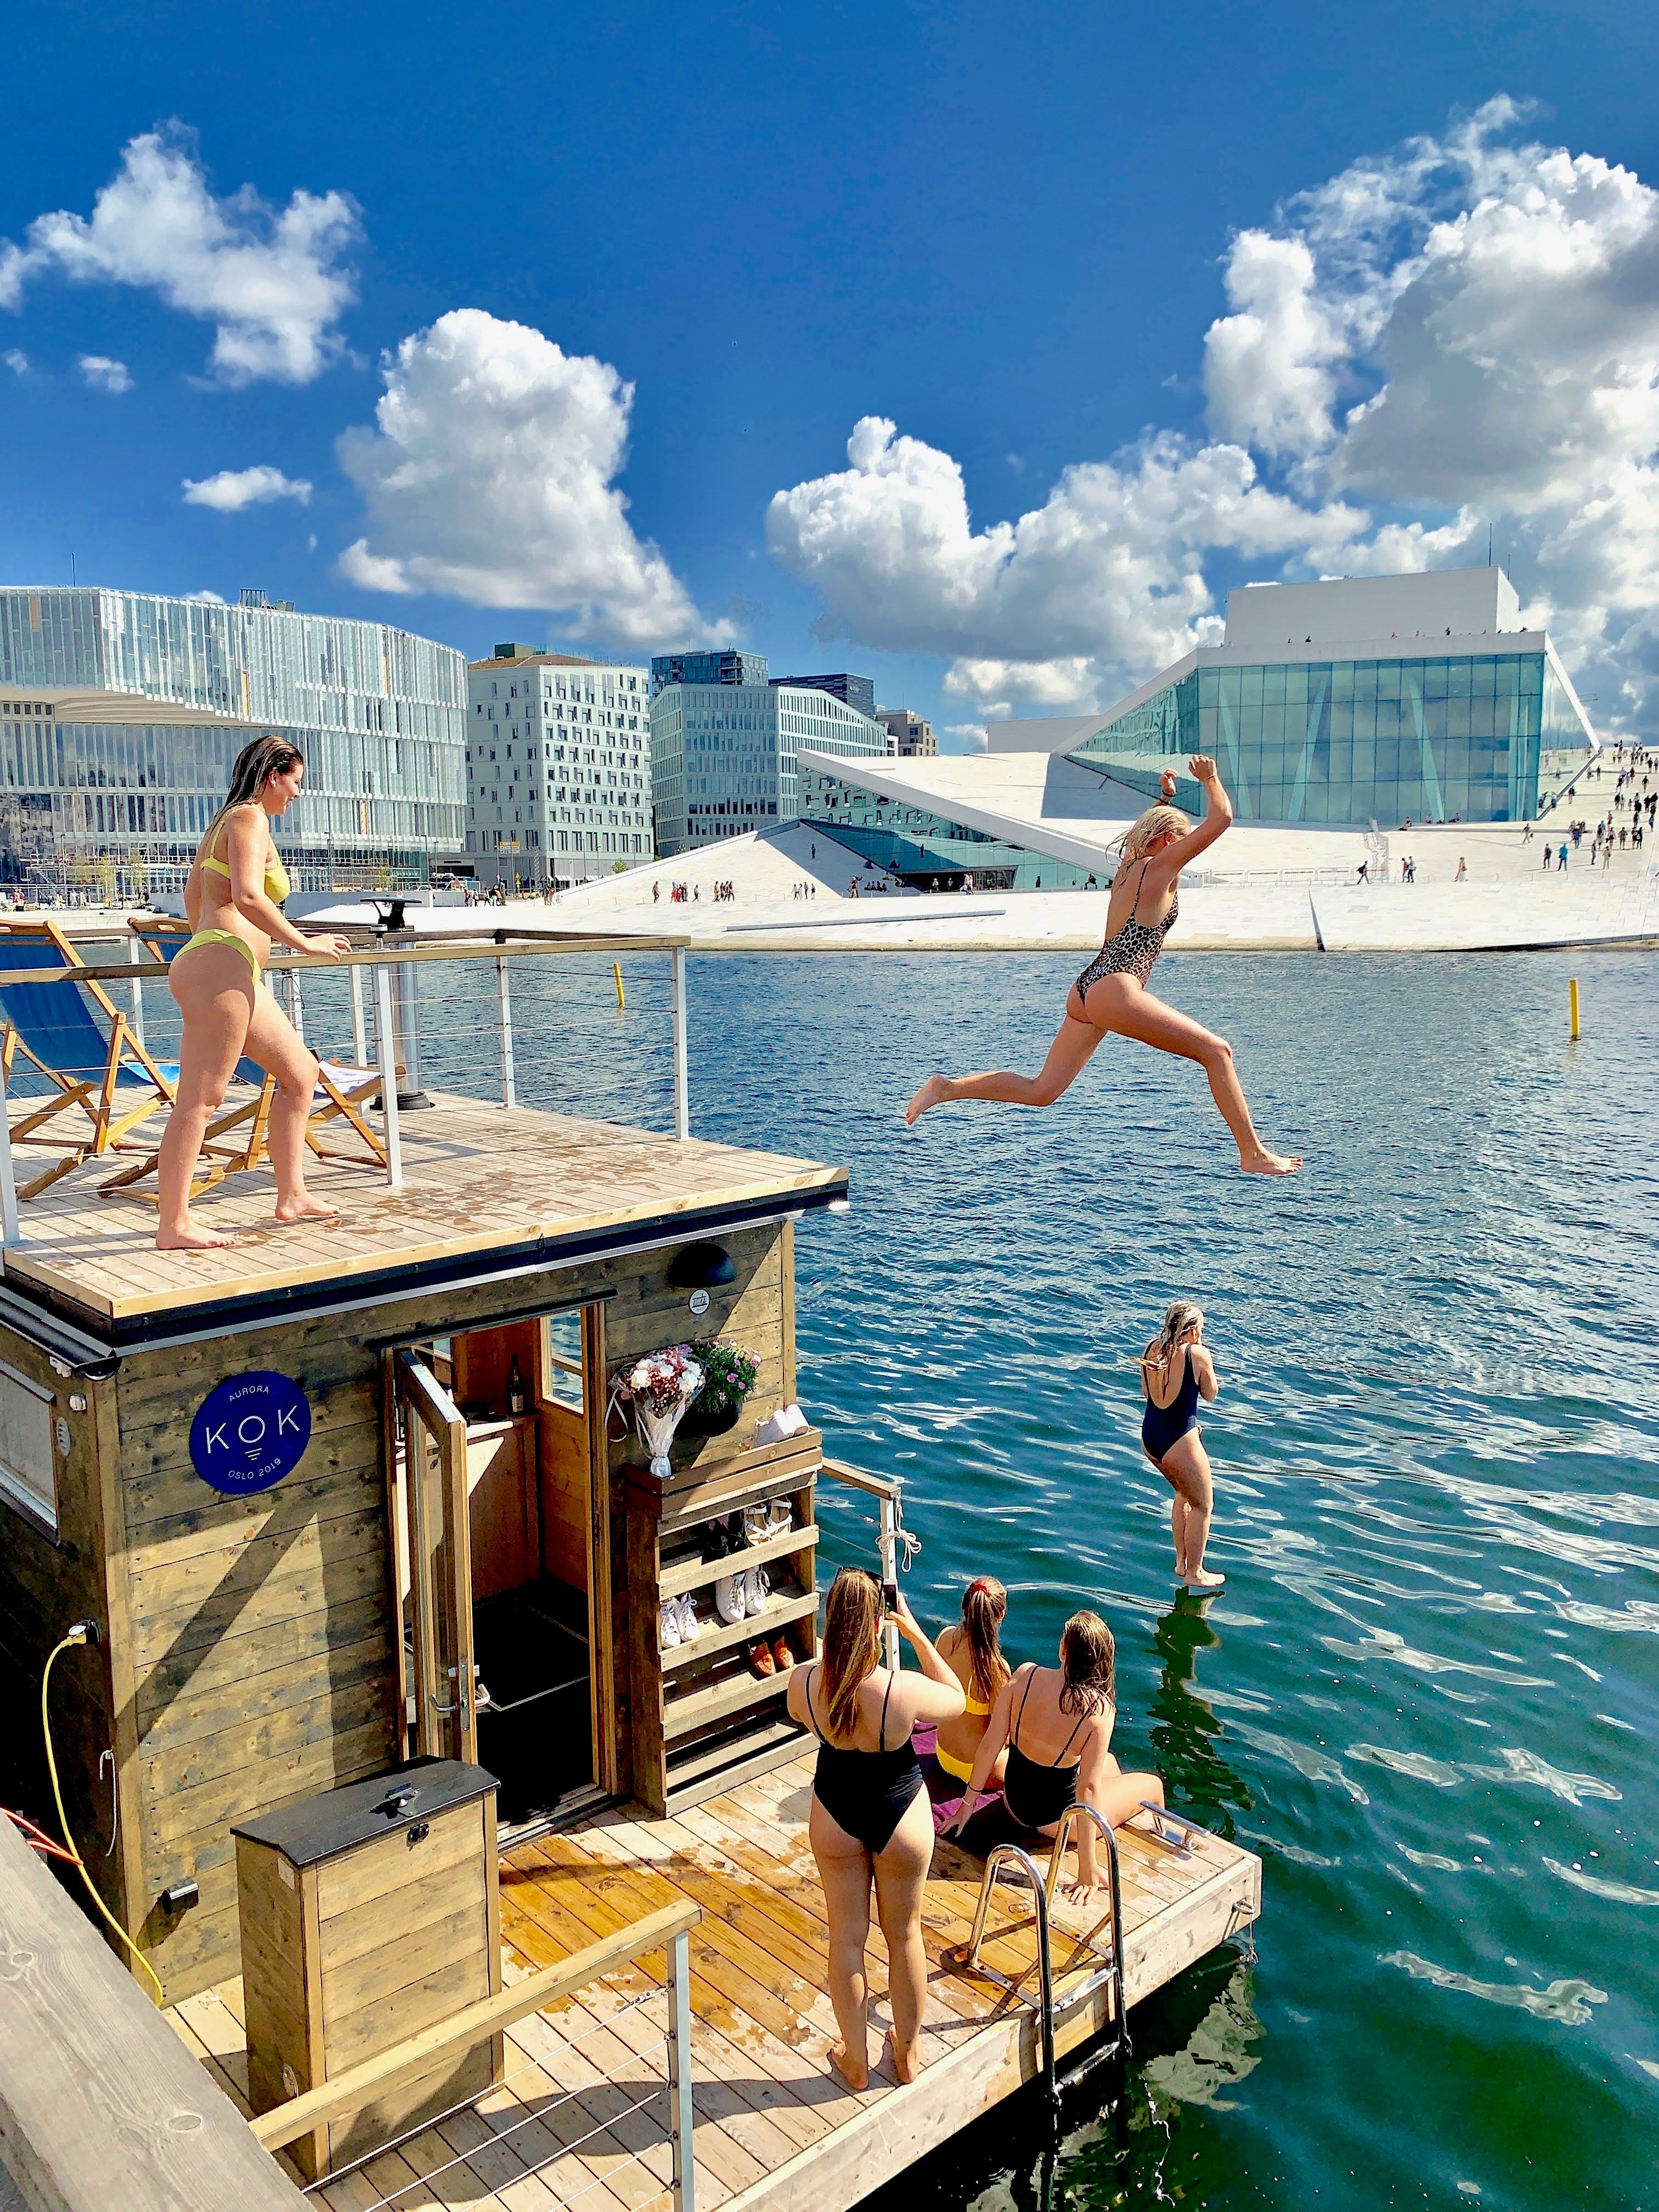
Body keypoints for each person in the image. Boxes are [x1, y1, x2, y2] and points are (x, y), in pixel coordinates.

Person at [905, 755, 1300, 1175]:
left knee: (1043, 1091)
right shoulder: (1162, 866)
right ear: (1168, 841)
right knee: (1217, 1052)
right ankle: (1252, 1153)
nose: (1185, 857)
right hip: (1117, 987)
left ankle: (947, 1088)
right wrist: (1210, 779)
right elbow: (1221, 818)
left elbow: (1144, 832)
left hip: (1087, 987)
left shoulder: (1130, 864)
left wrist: (1165, 796)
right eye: (1182, 843)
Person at [154, 737, 352, 1251]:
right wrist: (306, 944)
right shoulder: (248, 819)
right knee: (200, 1100)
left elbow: (199, 900)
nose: (298, 794)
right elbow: (247, 894)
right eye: (296, 782)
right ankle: (173, 1224)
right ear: (273, 777)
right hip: (222, 965)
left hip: (230, 967)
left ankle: (293, 1195)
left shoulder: (221, 824)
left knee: (300, 1074)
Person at [785, 1572, 964, 2088]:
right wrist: (911, 1630)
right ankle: (907, 2057)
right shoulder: (898, 1690)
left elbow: (805, 1708)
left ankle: (856, 2063)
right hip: (900, 1813)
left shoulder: (804, 1684)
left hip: (835, 1811)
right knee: (905, 1935)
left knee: (846, 1939)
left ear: (831, 1619)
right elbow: (956, 1697)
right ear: (873, 1626)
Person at [942, 1613, 1164, 1902]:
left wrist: (966, 1807)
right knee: (1153, 1786)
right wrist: (1088, 1866)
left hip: (1014, 1804)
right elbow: (1088, 1789)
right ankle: (1158, 1848)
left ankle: (1122, 1806)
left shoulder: (1025, 1675)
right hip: (1056, 1822)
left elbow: (989, 1747)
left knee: (1108, 1761)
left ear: (1063, 1652)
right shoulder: (1098, 1712)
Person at [1140, 1301, 1224, 1591]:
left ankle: (1181, 1562)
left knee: (1183, 1493)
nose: (1202, 1334)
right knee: (1204, 1505)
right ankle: (1195, 1572)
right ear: (1190, 1329)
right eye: (1200, 1328)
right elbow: (1211, 1394)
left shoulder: (1152, 1348)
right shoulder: (1197, 1354)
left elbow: (1146, 1392)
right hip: (1179, 1440)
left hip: (1150, 1437)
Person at [932, 1578, 1012, 1793]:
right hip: (978, 1773)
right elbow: (1001, 1737)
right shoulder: (997, 1669)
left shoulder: (945, 1639)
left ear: (965, 1607)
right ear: (1000, 1615)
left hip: (943, 1756)